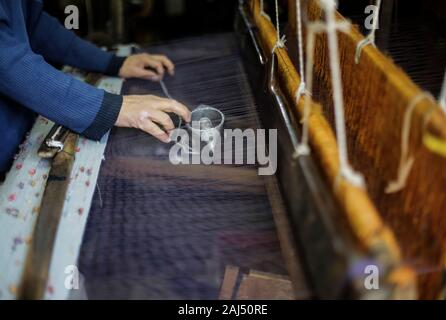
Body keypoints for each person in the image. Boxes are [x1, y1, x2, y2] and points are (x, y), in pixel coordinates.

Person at [0, 0, 191, 177]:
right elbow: (5, 60)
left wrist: (111, 63)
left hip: (21, 128)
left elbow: (34, 24)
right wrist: (108, 108)